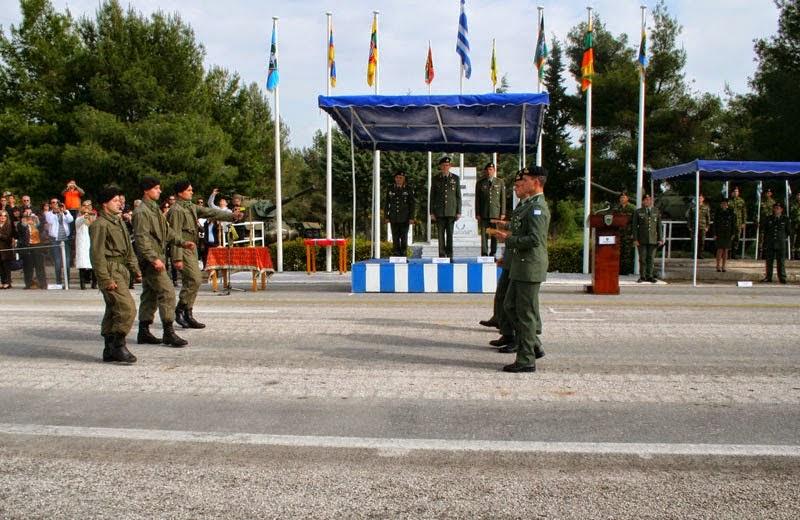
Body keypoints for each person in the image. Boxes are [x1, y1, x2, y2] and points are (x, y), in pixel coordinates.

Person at [493, 167, 550, 373]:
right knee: (509, 306)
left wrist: (508, 239)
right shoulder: (528, 206)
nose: (520, 185)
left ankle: (526, 358)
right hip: (520, 264)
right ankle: (533, 344)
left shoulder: (538, 208)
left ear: (535, 182)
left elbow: (534, 239)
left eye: (524, 181)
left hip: (529, 265)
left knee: (525, 313)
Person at [168, 180, 243, 329]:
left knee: (193, 281)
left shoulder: (189, 207)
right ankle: (180, 310)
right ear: (180, 193)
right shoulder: (176, 210)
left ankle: (188, 312)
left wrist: (232, 216)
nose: (192, 192)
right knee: (195, 280)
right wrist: (176, 258)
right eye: (189, 190)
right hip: (183, 247)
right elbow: (174, 234)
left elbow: (210, 212)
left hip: (191, 247)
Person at [132, 176, 196, 347]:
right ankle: (168, 331)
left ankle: (143, 331)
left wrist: (182, 242)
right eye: (156, 188)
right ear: (147, 190)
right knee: (167, 292)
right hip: (151, 260)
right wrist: (153, 259)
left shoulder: (154, 209)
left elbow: (167, 232)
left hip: (157, 258)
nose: (160, 191)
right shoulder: (142, 212)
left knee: (150, 295)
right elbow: (142, 240)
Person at [90, 187, 142, 363]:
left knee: (113, 310)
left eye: (120, 200)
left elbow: (128, 249)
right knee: (127, 308)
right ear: (105, 204)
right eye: (115, 201)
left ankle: (109, 348)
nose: (119, 203)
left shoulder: (117, 222)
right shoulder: (100, 224)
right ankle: (118, 345)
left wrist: (135, 270)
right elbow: (96, 254)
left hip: (121, 268)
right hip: (110, 269)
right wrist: (105, 279)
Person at [430, 156, 462, 258]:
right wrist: (431, 212)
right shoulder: (435, 179)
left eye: (447, 165)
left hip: (451, 211)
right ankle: (442, 255)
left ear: (450, 166)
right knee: (440, 235)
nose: (445, 167)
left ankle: (450, 254)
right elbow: (432, 196)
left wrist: (458, 211)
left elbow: (458, 196)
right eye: (443, 165)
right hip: (439, 211)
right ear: (440, 166)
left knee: (450, 235)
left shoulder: (455, 178)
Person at [475, 162, 506, 257]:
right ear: (485, 171)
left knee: (494, 234)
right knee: (484, 234)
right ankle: (484, 253)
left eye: (491, 170)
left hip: (495, 212)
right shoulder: (480, 183)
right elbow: (478, 199)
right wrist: (477, 213)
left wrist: (503, 212)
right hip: (484, 212)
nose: (489, 172)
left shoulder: (499, 182)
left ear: (494, 171)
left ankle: (493, 253)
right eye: (488, 170)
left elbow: (502, 198)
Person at [631, 193, 664, 283]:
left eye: (649, 200)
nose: (647, 201)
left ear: (651, 201)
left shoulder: (656, 211)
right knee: (642, 258)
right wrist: (635, 239)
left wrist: (660, 239)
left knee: (651, 258)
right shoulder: (638, 212)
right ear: (643, 201)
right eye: (645, 200)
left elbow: (659, 226)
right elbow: (634, 227)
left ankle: (650, 275)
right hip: (642, 239)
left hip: (653, 239)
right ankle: (642, 276)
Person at [384, 170, 415, 257]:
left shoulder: (408, 189)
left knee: (404, 236)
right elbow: (387, 203)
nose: (399, 179)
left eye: (401, 178)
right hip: (393, 217)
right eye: (397, 178)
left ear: (404, 179)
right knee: (395, 236)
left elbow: (412, 204)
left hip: (405, 217)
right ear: (395, 178)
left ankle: (404, 253)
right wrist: (386, 216)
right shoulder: (390, 189)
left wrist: (412, 217)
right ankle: (396, 253)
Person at [45, 197, 74, 286]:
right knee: (57, 262)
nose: (55, 204)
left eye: (56, 202)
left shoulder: (65, 212)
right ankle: (58, 282)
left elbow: (70, 220)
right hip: (55, 239)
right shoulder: (49, 214)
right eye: (52, 202)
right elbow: (50, 221)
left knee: (67, 261)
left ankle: (67, 282)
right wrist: (55, 212)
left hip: (65, 239)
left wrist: (64, 211)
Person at [760, 202, 790, 284]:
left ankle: (782, 277)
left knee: (781, 261)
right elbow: (765, 230)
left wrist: (782, 238)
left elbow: (788, 231)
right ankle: (768, 277)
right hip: (771, 242)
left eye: (778, 208)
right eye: (775, 208)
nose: (777, 210)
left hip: (780, 242)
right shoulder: (769, 218)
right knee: (769, 260)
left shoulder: (785, 219)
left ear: (781, 210)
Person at [611, 191, 636, 274]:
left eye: (624, 197)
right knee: (618, 251)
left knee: (627, 252)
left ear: (627, 198)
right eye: (621, 198)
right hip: (618, 233)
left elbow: (634, 223)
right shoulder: (616, 208)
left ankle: (626, 270)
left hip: (628, 233)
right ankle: (618, 269)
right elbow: (612, 220)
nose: (622, 199)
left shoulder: (632, 209)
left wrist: (633, 233)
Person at [74, 207, 96, 289]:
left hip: (91, 244)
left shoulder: (92, 223)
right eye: (83, 212)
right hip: (83, 245)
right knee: (83, 266)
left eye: (87, 212)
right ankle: (82, 284)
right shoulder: (79, 221)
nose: (86, 214)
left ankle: (94, 283)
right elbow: (80, 220)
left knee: (94, 264)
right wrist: (84, 216)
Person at [712, 198, 736, 272]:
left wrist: (733, 233)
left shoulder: (731, 212)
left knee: (726, 250)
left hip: (728, 233)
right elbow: (715, 224)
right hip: (720, 233)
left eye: (725, 204)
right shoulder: (718, 212)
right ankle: (718, 266)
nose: (724, 205)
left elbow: (733, 224)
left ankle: (724, 266)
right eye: (723, 204)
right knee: (719, 249)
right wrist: (714, 233)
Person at [686, 193, 711, 259]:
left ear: (703, 199)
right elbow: (689, 218)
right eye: (698, 198)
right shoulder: (693, 207)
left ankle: (700, 254)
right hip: (694, 226)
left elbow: (708, 217)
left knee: (702, 241)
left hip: (702, 226)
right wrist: (689, 226)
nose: (700, 199)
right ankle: (694, 254)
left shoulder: (706, 207)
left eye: (701, 198)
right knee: (694, 241)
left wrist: (707, 226)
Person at [729, 186, 747, 259]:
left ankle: (734, 253)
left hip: (738, 222)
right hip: (730, 222)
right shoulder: (729, 201)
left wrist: (743, 222)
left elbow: (744, 212)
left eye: (737, 192)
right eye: (734, 192)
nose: (736, 193)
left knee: (737, 238)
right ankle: (728, 253)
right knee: (730, 238)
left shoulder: (741, 201)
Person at [0, 210, 13, 289]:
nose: (2, 217)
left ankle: (8, 282)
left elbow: (8, 238)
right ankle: (3, 282)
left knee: (6, 267)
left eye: (5, 216)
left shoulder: (8, 225)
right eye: (1, 215)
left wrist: (0, 235)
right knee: (1, 267)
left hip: (6, 249)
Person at [790, 191, 800, 259]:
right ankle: (792, 254)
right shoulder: (793, 203)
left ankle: (798, 253)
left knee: (799, 239)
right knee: (793, 238)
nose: (799, 197)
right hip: (794, 222)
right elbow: (791, 212)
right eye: (798, 195)